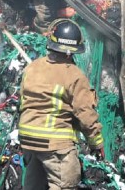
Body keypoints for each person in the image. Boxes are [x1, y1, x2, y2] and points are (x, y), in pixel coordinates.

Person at [18, 19, 104, 190]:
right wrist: (97, 143)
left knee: (34, 185)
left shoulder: (32, 67)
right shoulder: (74, 74)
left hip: (28, 137)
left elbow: (23, 101)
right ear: (71, 52)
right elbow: (85, 113)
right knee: (65, 184)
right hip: (54, 141)